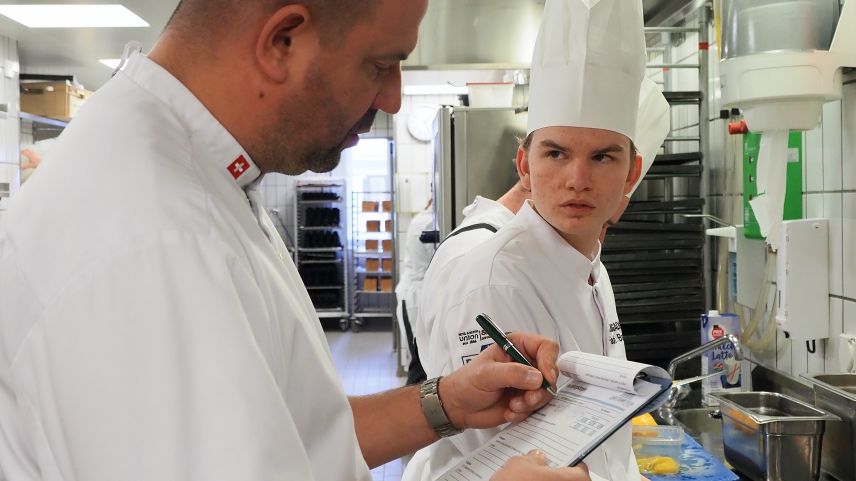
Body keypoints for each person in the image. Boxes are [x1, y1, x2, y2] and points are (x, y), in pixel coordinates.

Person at [0, 1, 594, 480]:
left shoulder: (204, 175)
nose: (392, 96)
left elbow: (294, 437)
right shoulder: (152, 239)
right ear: (283, 40)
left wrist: (444, 403)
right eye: (380, 63)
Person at [412, 0, 672, 480]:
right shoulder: (494, 280)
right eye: (556, 153)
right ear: (525, 165)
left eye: (602, 157)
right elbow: (503, 460)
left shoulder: (589, 266)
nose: (577, 180)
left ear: (631, 174)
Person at [394, 200, 435, 384]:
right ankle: (410, 411)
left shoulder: (426, 218)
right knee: (419, 367)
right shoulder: (427, 222)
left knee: (423, 364)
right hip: (415, 299)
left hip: (418, 295)